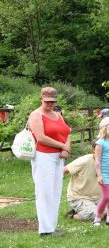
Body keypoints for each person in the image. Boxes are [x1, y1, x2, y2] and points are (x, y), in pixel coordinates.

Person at [28, 87, 71, 237]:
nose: (50, 105)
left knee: (55, 191)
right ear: (41, 99)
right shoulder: (36, 115)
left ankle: (52, 227)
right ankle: (45, 230)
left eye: (52, 102)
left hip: (58, 157)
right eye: (47, 102)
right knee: (44, 192)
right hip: (43, 156)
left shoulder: (58, 115)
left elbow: (67, 132)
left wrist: (66, 148)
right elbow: (41, 137)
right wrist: (62, 146)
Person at [64, 140, 101, 221]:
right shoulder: (84, 161)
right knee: (98, 216)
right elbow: (64, 170)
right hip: (79, 197)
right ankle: (73, 215)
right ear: (93, 149)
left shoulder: (106, 161)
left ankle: (86, 211)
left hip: (97, 197)